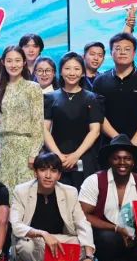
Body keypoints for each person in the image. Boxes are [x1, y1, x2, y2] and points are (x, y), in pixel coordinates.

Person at [11, 152, 95, 261]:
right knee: (25, 246)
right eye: (43, 170)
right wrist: (43, 234)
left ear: (59, 175)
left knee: (83, 245)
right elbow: (15, 225)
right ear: (35, 173)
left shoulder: (70, 192)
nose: (48, 175)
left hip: (60, 240)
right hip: (35, 241)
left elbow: (82, 223)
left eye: (54, 171)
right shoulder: (21, 190)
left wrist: (89, 258)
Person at [92, 33, 137, 182]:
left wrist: (132, 145)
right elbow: (99, 115)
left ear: (134, 53)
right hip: (109, 148)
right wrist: (119, 141)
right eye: (118, 48)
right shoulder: (100, 81)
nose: (122, 52)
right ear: (111, 53)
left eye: (127, 49)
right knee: (108, 192)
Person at [43, 53, 103, 188]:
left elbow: (95, 131)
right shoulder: (50, 98)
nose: (72, 73)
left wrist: (76, 155)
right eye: (67, 68)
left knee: (83, 195)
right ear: (60, 71)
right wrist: (58, 155)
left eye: (76, 69)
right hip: (56, 157)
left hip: (84, 156)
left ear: (82, 72)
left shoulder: (91, 98)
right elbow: (44, 129)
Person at [0, 45, 45, 188]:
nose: (13, 65)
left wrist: (33, 153)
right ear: (3, 62)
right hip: (2, 149)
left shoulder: (33, 87)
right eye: (9, 61)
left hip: (25, 148)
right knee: (3, 192)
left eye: (17, 60)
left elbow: (37, 122)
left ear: (24, 62)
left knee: (24, 193)